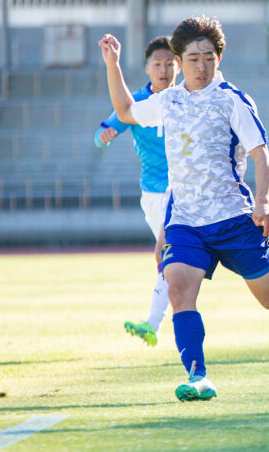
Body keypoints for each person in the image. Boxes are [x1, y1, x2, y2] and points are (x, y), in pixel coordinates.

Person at [99, 15, 269, 402]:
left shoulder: (232, 100)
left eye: (209, 57)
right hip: (186, 223)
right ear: (179, 62)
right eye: (194, 58)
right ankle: (198, 376)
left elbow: (262, 158)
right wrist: (112, 65)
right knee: (178, 289)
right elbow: (127, 111)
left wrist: (262, 202)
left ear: (218, 59)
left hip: (233, 219)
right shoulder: (169, 100)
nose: (202, 66)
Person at [94, 36, 176, 348]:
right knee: (173, 255)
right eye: (158, 64)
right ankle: (155, 319)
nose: (164, 70)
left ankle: (153, 322)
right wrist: (106, 136)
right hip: (157, 193)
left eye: (170, 64)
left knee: (176, 255)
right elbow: (98, 137)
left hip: (186, 189)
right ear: (147, 68)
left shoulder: (186, 98)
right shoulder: (136, 102)